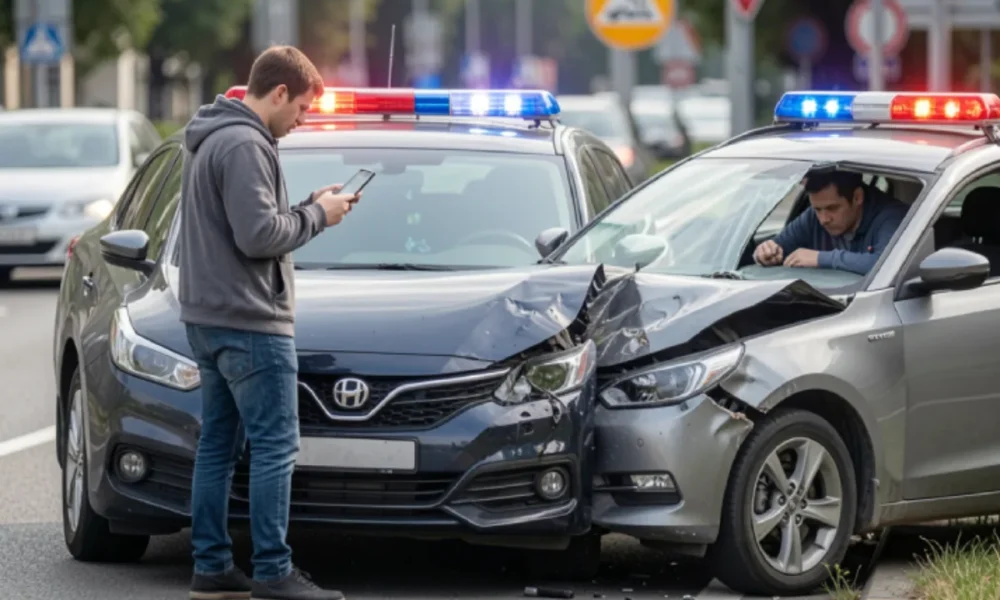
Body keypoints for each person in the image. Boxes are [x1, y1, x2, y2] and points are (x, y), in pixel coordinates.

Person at [177, 46, 356, 600]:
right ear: (279, 93)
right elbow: (258, 238)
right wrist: (317, 218)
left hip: (208, 316)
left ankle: (211, 568)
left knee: (218, 446)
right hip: (251, 320)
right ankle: (274, 572)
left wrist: (304, 204)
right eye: (301, 107)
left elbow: (247, 224)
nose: (302, 120)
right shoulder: (246, 144)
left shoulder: (213, 137)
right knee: (276, 446)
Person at [753, 169, 908, 276]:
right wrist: (766, 252)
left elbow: (885, 264)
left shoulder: (892, 217)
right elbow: (779, 246)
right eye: (817, 209)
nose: (823, 219)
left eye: (832, 208)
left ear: (857, 198)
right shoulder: (813, 217)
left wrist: (821, 259)